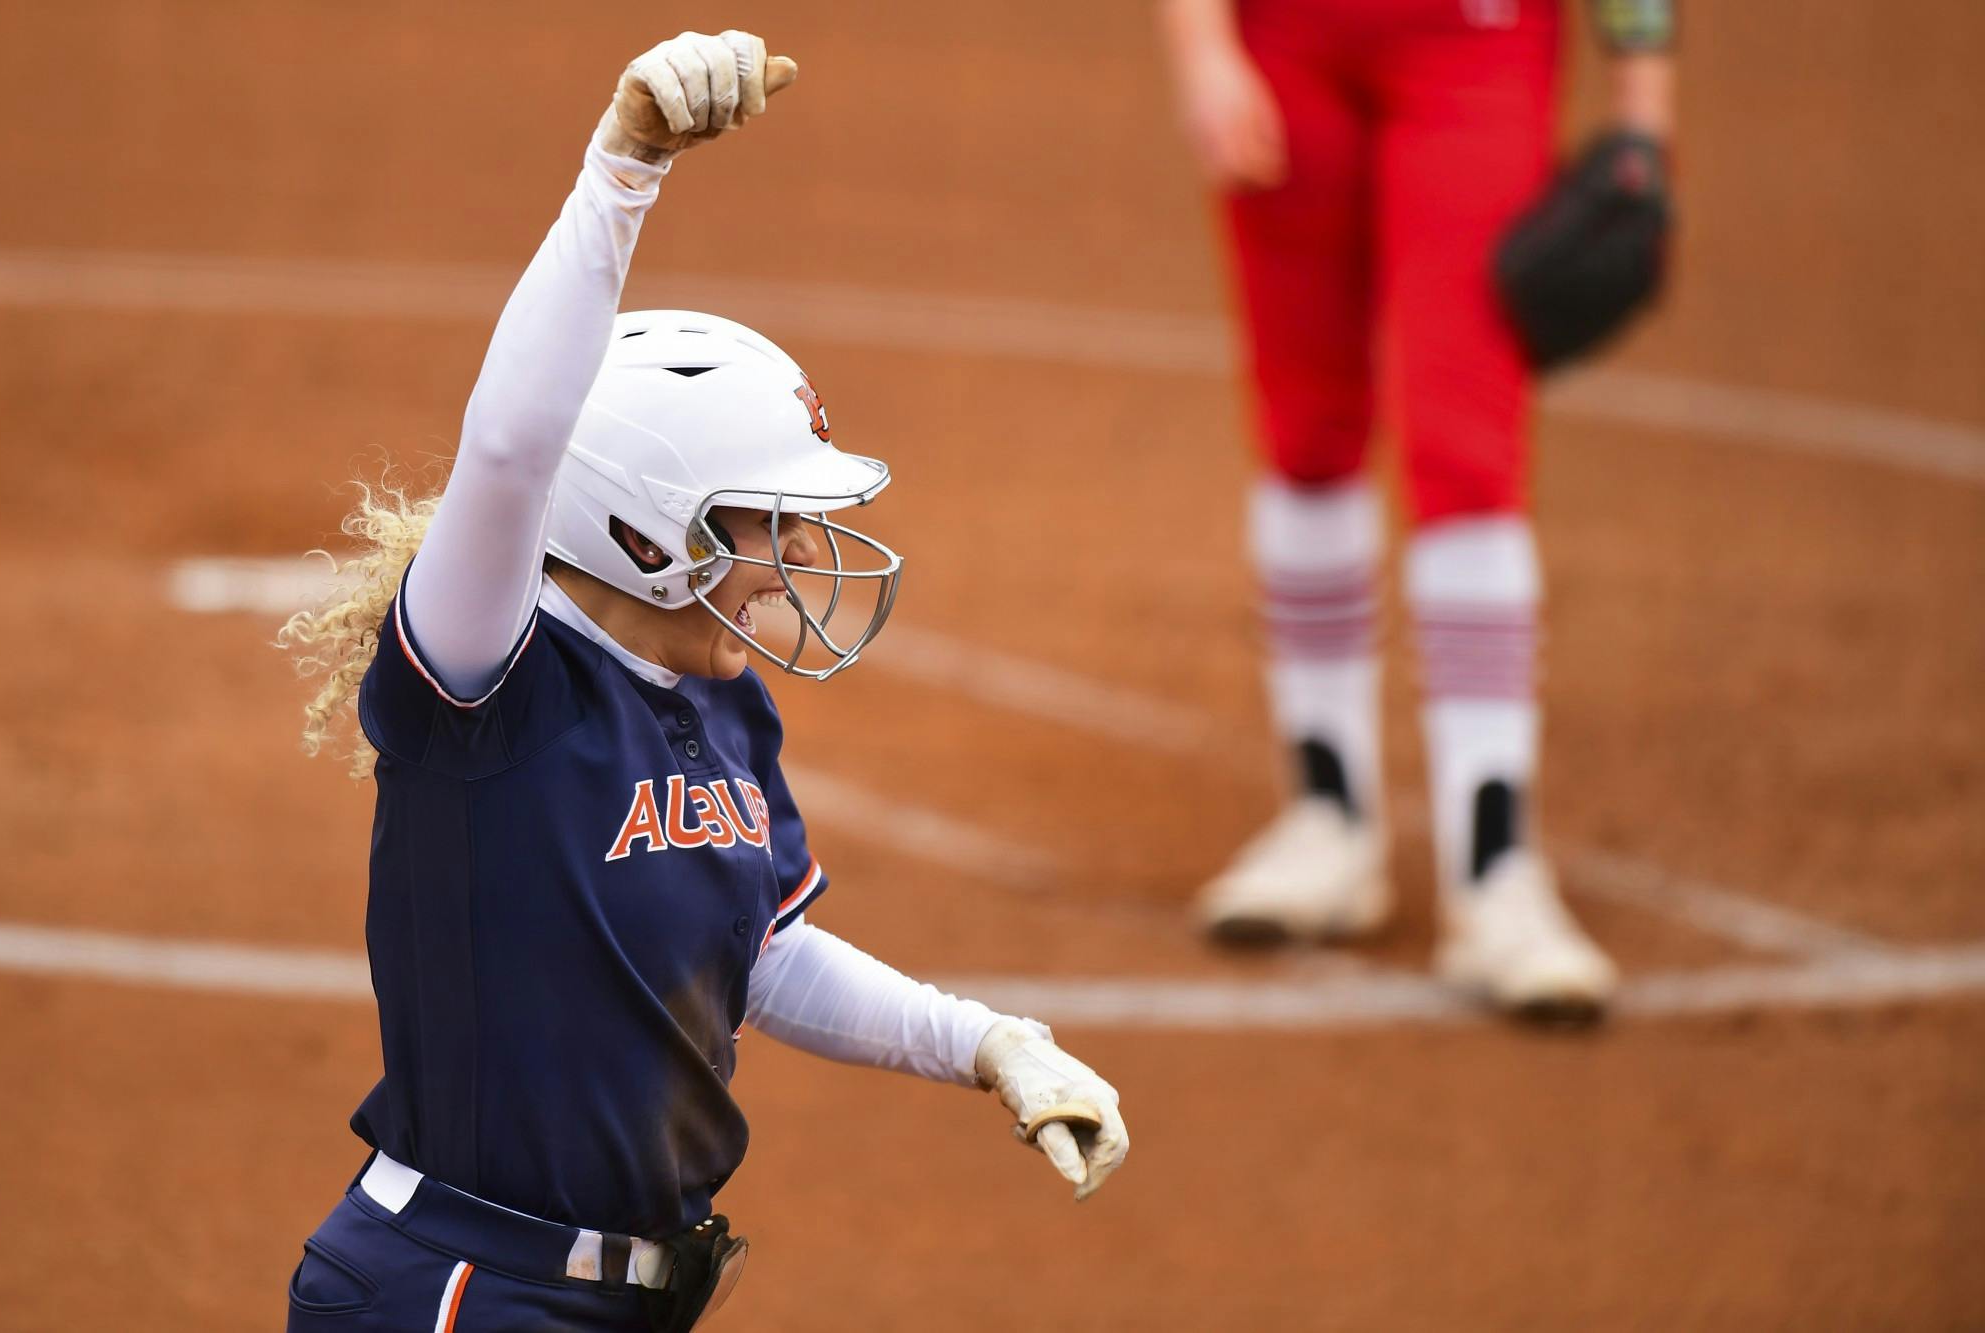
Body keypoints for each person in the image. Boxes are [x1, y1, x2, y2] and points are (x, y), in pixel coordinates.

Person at [277, 31, 1127, 1331]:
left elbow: (763, 954)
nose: (797, 557)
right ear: (640, 532)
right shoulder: (487, 690)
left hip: (636, 1300)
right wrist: (624, 168)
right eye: (762, 520)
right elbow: (509, 451)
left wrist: (989, 1043)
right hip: (458, 1291)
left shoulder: (724, 699)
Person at [1160, 0, 1676, 1017]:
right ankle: (1327, 824)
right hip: (1283, 40)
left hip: (1471, 42)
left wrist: (1641, 113)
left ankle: (1493, 870)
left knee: (1464, 448)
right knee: (1304, 433)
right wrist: (1201, 48)